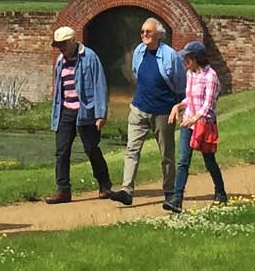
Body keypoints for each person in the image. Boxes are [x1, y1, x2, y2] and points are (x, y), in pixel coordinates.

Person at [47, 26, 122, 204]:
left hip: (85, 111)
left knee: (91, 149)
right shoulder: (60, 61)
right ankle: (63, 190)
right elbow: (59, 89)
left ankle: (104, 184)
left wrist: (100, 113)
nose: (61, 48)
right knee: (62, 151)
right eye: (58, 45)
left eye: (63, 44)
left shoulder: (90, 58)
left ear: (73, 41)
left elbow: (99, 85)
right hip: (66, 110)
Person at [118, 18, 183, 203]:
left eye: (148, 32)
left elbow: (180, 85)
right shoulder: (139, 50)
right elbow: (136, 73)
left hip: (162, 111)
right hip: (139, 108)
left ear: (159, 34)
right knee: (132, 149)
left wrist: (176, 108)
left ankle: (169, 192)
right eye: (142, 32)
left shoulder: (171, 56)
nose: (144, 35)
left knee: (166, 154)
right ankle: (126, 191)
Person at [169, 41, 228, 209]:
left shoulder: (211, 76)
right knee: (183, 160)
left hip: (204, 123)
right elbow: (190, 99)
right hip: (189, 121)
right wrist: (178, 106)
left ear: (196, 58)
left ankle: (221, 192)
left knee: (209, 161)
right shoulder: (190, 75)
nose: (185, 61)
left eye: (187, 58)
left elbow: (208, 104)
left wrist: (194, 119)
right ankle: (177, 199)